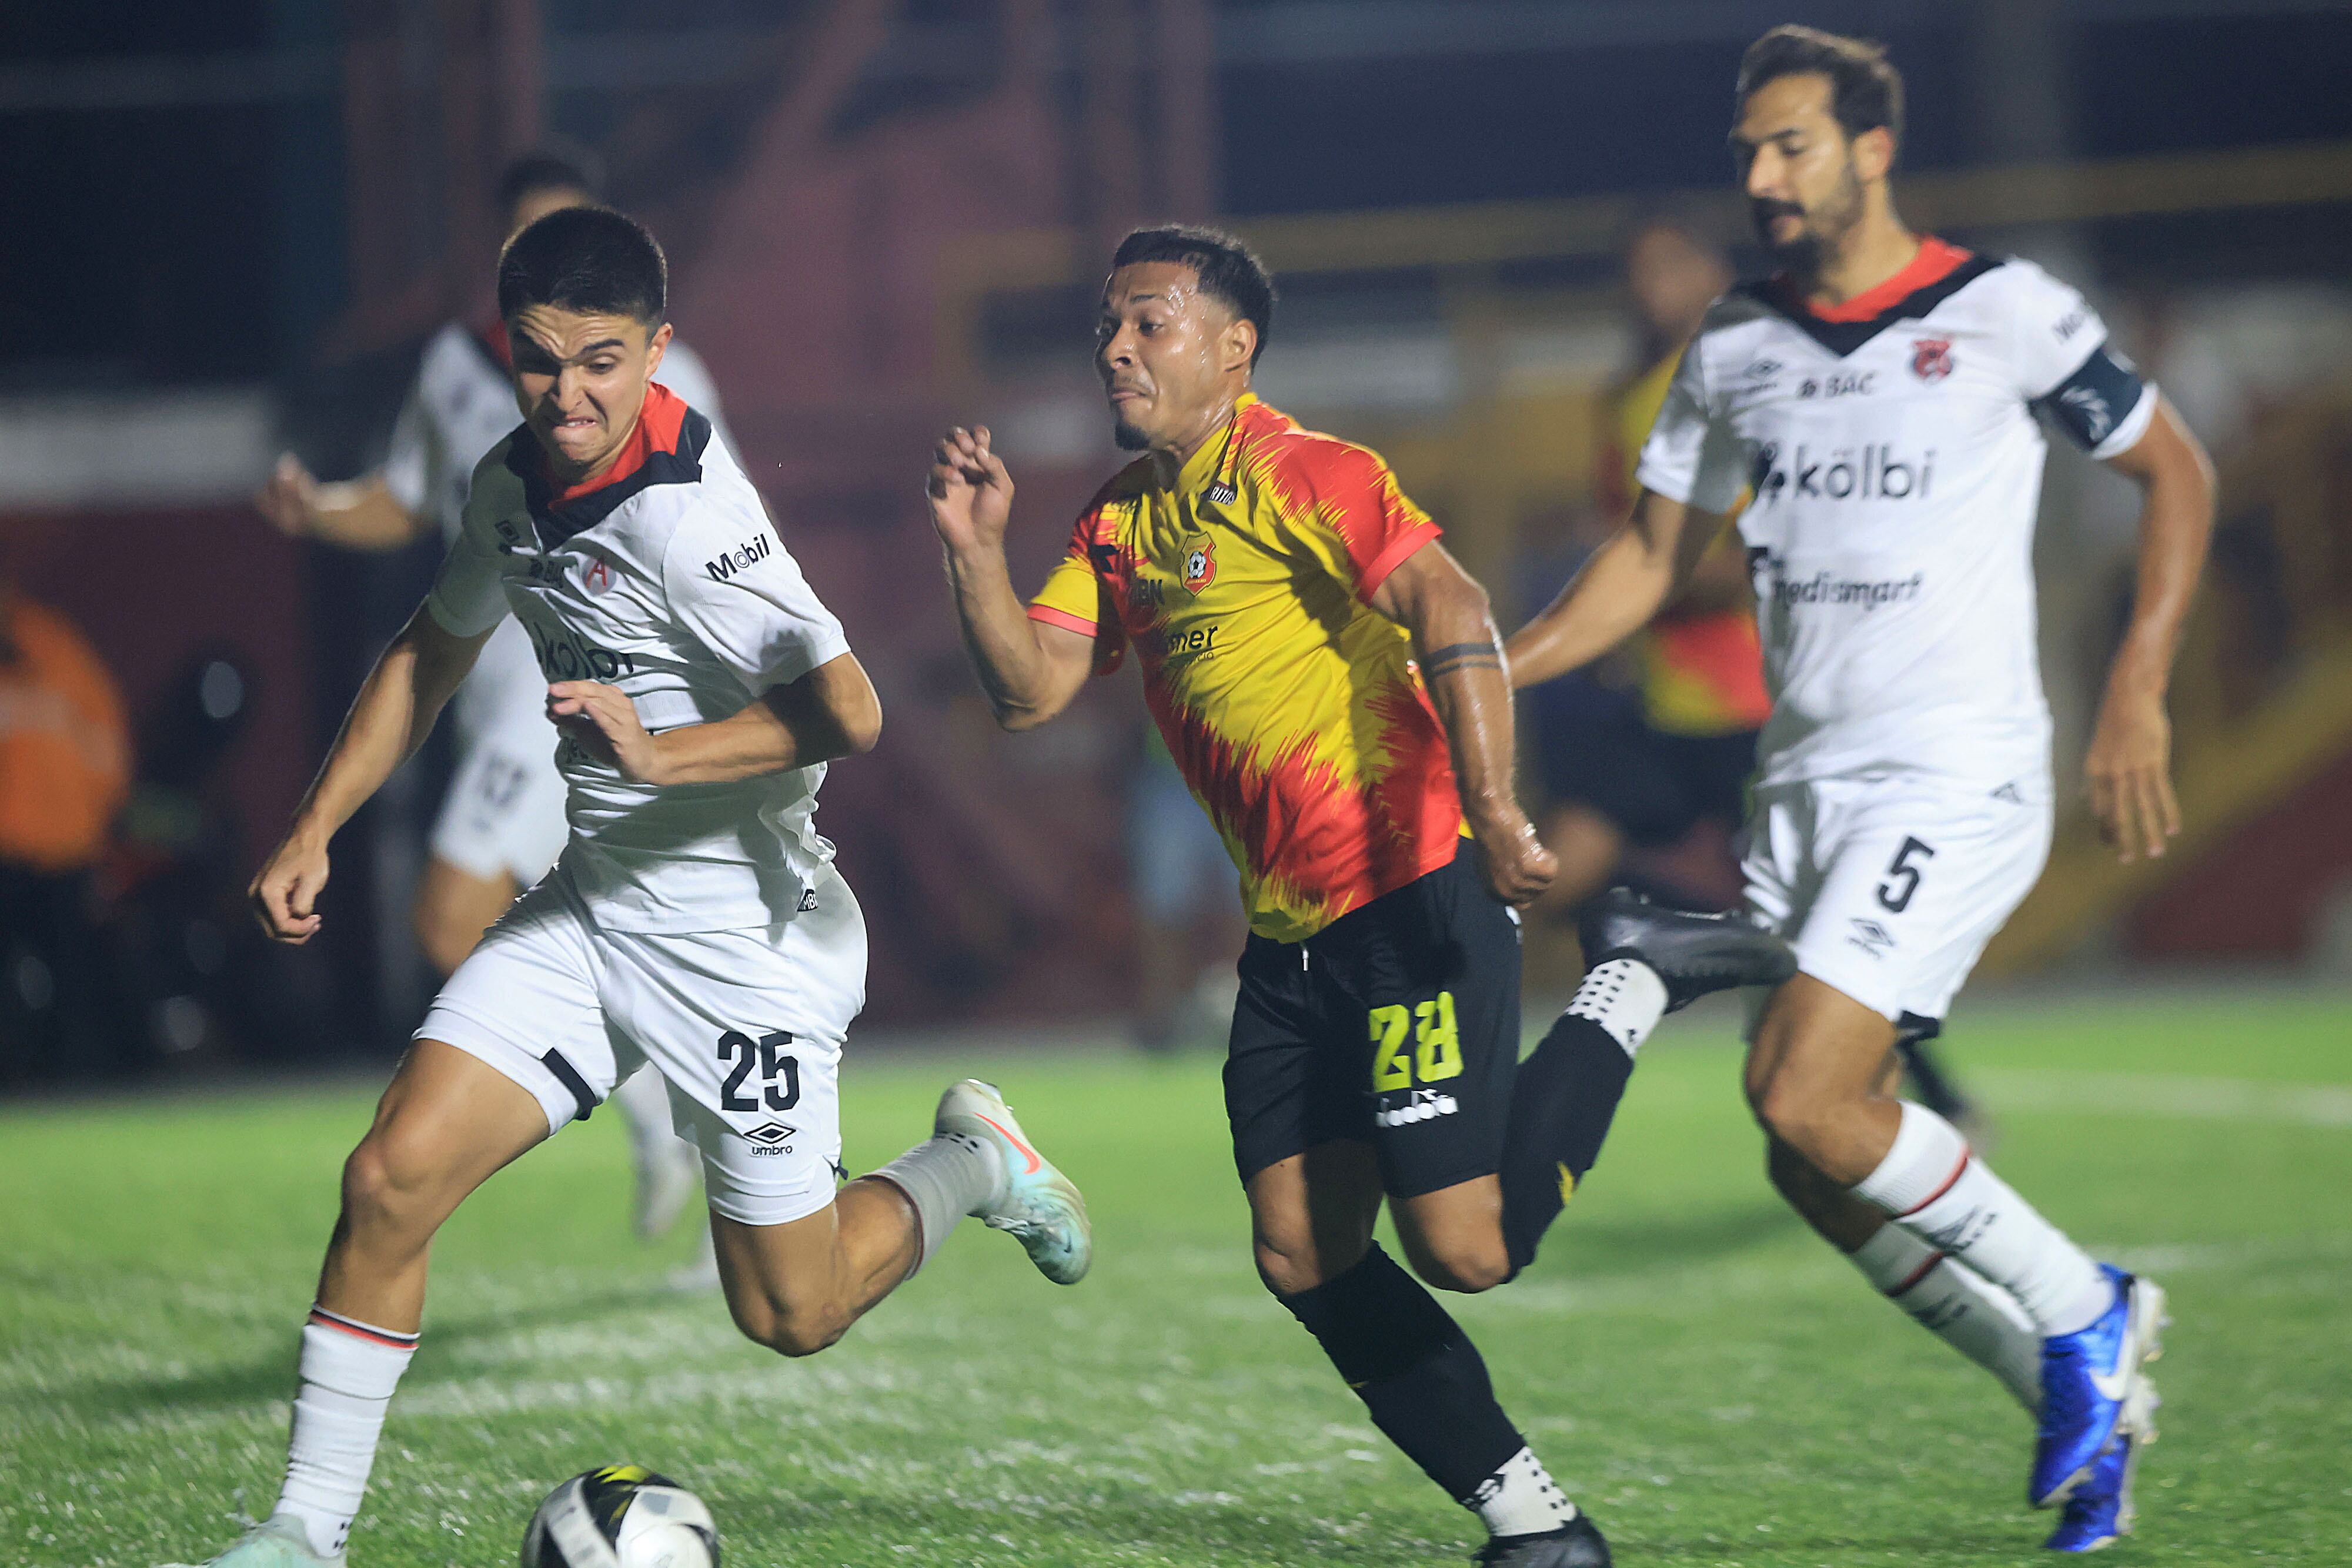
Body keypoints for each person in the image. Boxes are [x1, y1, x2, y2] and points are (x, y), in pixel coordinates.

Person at [178, 206, 1090, 1568]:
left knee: (791, 1313)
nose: (572, 395)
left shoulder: (691, 524)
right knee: (389, 1178)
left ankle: (975, 1162)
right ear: (509, 351)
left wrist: (661, 756)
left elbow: (849, 709)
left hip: (744, 949)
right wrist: (316, 822)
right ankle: (302, 1533)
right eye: (543, 362)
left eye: (604, 361)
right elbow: (432, 648)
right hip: (596, 912)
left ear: (658, 351)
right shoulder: (506, 480)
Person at [927, 224, 1792, 1568]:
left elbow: (1451, 607)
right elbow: (1029, 691)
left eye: (1147, 322)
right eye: (1108, 325)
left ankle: (1631, 980)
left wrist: (1498, 808)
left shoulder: (1308, 473)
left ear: (1233, 348)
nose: (1115, 345)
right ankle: (1535, 1529)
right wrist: (977, 553)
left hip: (1409, 901)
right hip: (1287, 946)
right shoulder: (1119, 522)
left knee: (1472, 1248)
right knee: (1299, 1252)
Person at [1504, 28, 2214, 1553]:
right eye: (1748, 153)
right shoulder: (1737, 349)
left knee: (1805, 1094)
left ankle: (2092, 1308)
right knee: (1814, 1156)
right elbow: (1643, 557)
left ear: (1873, 148)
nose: (1761, 178)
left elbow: (2178, 473)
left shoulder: (2004, 312)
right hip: (1802, 788)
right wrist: (1497, 667)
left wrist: (2141, 687)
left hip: (1954, 770)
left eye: (1791, 147)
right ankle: (2068, 1389)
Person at [254, 148, 726, 1262]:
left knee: (450, 912)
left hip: (587, 702)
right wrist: (322, 510)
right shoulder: (461, 371)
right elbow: (409, 501)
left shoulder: (666, 373)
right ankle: (694, 1125)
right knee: (609, 937)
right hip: (493, 689)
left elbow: (723, 533)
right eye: (531, 243)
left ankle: (662, 1114)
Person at [1533, 213, 1989, 1135]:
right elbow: (1621, 537)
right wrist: (1617, 603)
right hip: (1658, 702)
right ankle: (1471, 1075)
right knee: (1552, 867)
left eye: (1667, 263)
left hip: (1755, 696)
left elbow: (1758, 549)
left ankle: (1941, 1099)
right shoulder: (1623, 400)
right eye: (1639, 269)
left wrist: (1652, 579)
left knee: (1823, 921)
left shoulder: (1769, 379)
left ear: (1708, 271)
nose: (1650, 286)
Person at [0, 577, 131, 1079]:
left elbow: (108, 744)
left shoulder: (56, 650)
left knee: (75, 979)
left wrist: (100, 824)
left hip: (63, 852)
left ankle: (81, 1080)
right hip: (13, 853)